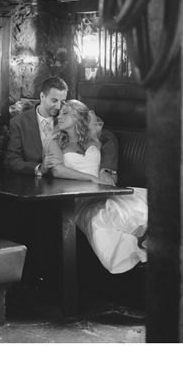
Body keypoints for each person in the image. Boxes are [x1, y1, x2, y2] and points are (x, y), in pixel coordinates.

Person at [44, 100, 148, 274]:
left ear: (77, 116)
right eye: (59, 113)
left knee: (135, 207)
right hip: (77, 200)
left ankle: (149, 245)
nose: (59, 117)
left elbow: (109, 141)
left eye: (65, 113)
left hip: (102, 194)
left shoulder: (96, 138)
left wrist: (107, 175)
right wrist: (92, 179)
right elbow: (57, 170)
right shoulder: (55, 142)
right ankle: (137, 255)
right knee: (99, 222)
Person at [4, 76, 120, 185]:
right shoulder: (19, 122)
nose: (59, 107)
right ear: (42, 96)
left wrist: (106, 170)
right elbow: (12, 160)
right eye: (54, 100)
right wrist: (39, 168)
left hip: (71, 183)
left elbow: (107, 137)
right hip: (37, 185)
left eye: (62, 101)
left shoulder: (67, 118)